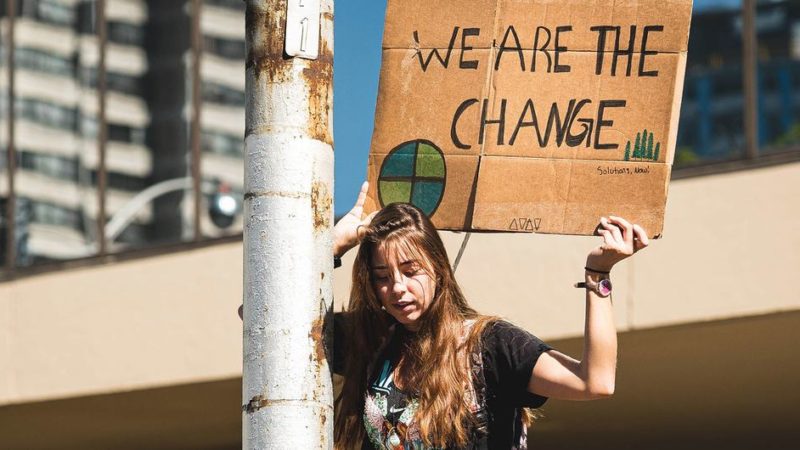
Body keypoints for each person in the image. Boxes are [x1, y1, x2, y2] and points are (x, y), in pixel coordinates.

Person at [327, 182, 649, 450]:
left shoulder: (488, 345)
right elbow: (284, 325)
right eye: (382, 277)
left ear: (439, 269)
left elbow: (594, 381)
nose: (397, 287)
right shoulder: (370, 339)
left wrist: (598, 273)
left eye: (411, 271)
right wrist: (332, 247)